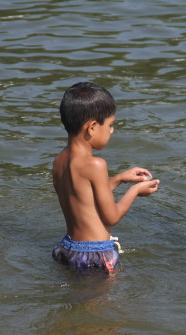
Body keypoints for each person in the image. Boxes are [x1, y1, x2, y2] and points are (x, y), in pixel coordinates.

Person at [52, 81, 160, 273]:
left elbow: (82, 196)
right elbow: (111, 217)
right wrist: (135, 190)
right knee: (104, 302)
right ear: (92, 127)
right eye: (110, 125)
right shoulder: (96, 164)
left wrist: (118, 179)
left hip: (67, 248)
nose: (112, 131)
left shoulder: (59, 160)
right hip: (96, 255)